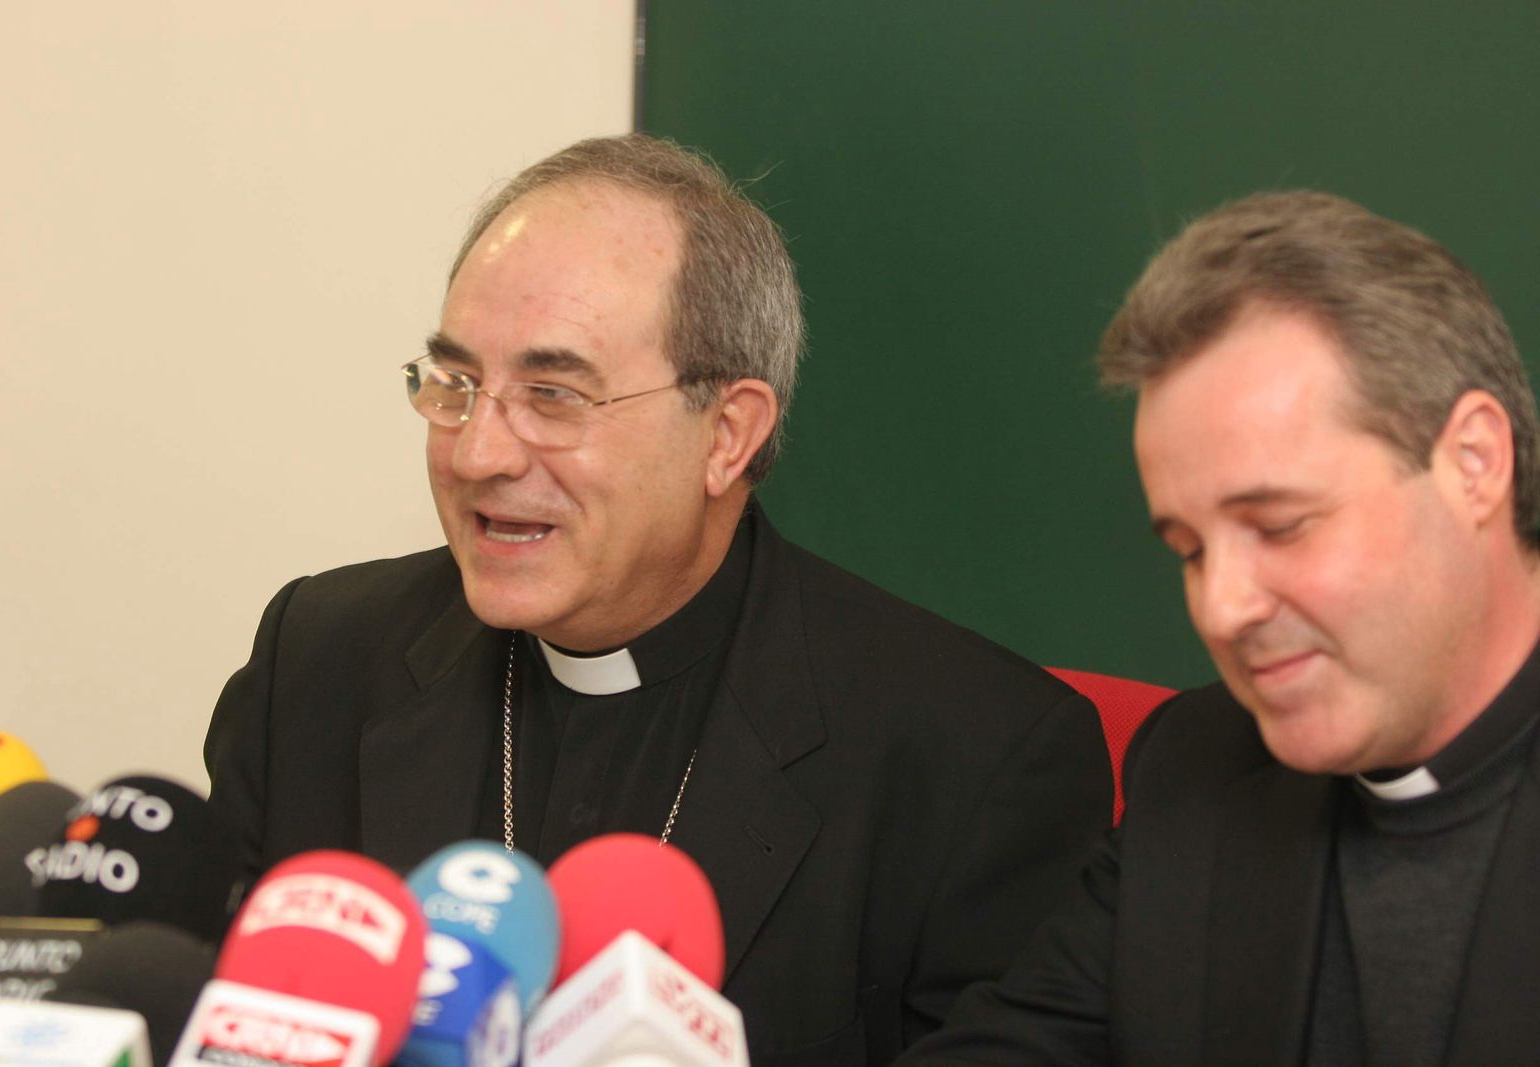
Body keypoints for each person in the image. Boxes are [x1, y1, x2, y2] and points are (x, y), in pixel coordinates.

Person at [204, 133, 1110, 1064]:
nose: (477, 454)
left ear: (727, 434)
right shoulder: (317, 659)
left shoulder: (974, 761)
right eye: (458, 385)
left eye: (553, 395)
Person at [900, 190, 1540, 1066]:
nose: (1222, 608)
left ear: (1473, 463)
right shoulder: (1198, 769)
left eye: (1280, 526)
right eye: (1191, 550)